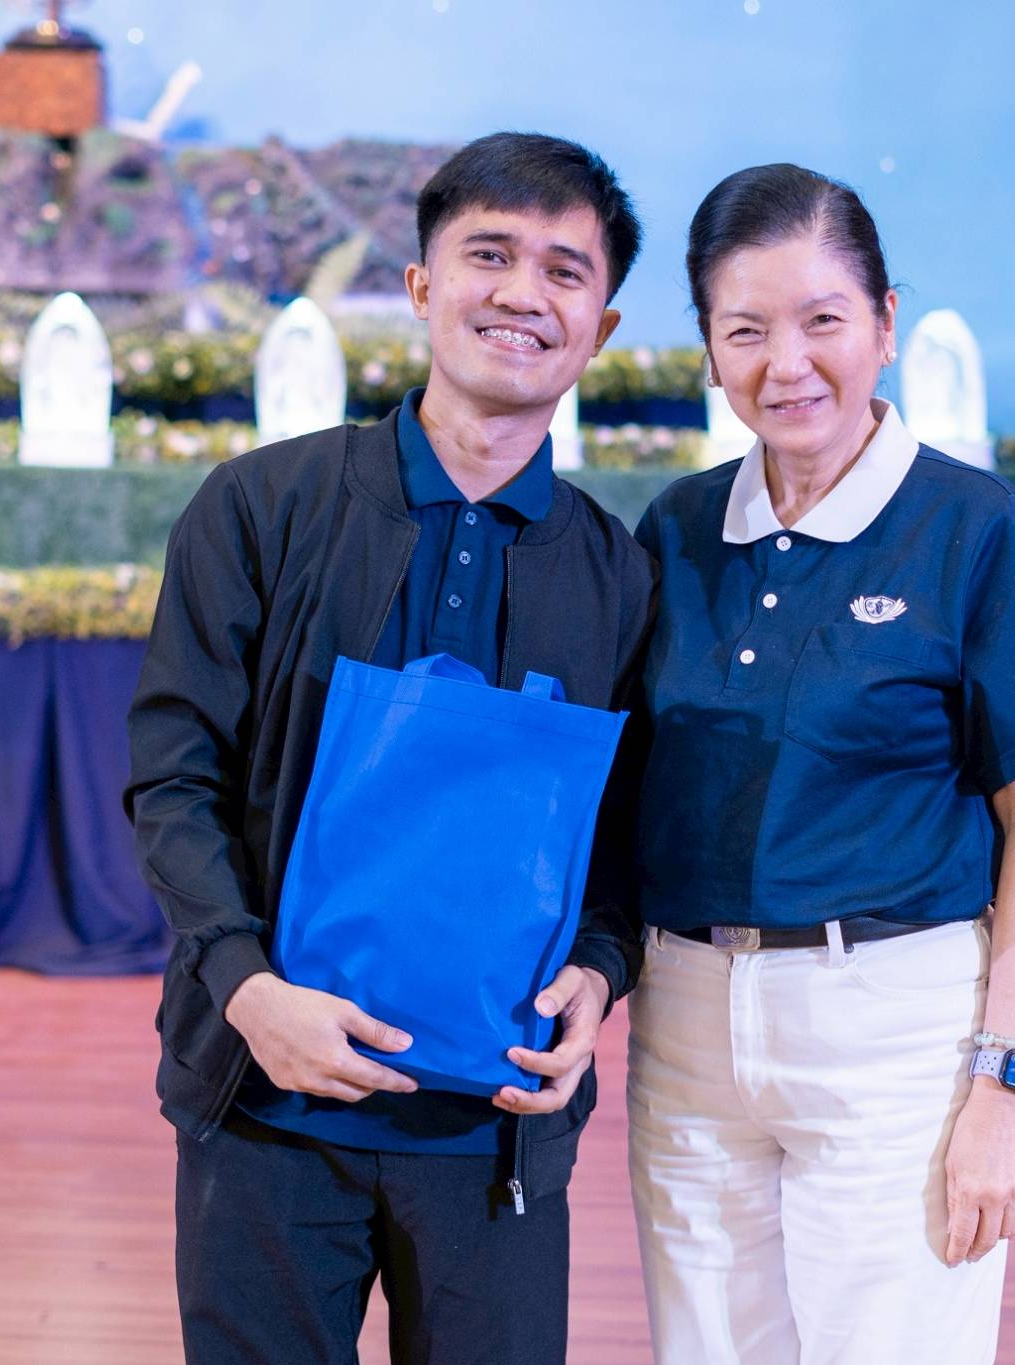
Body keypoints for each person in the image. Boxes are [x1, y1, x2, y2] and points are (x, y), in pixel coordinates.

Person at [125, 131, 654, 1365]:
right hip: (264, 1100)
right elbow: (172, 775)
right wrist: (250, 994)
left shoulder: (619, 575)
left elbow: (625, 834)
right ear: (421, 287)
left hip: (495, 1125)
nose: (523, 294)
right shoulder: (263, 506)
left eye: (564, 272)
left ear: (602, 328)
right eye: (488, 254)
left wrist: (598, 971)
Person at [626, 163, 1015, 1364]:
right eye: (744, 331)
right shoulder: (675, 528)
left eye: (821, 321)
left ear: (884, 324)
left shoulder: (968, 525)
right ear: (708, 349)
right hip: (685, 1028)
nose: (785, 364)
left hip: (894, 1029)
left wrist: (1007, 1087)